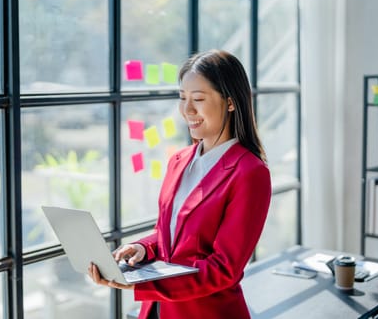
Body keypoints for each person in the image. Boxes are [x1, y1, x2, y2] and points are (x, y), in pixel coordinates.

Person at [88, 49, 272, 319]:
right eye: (182, 98)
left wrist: (142, 282)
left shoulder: (250, 172)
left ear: (231, 103)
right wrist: (144, 248)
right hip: (157, 310)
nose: (187, 110)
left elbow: (224, 269)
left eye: (198, 99)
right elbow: (171, 233)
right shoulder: (179, 160)